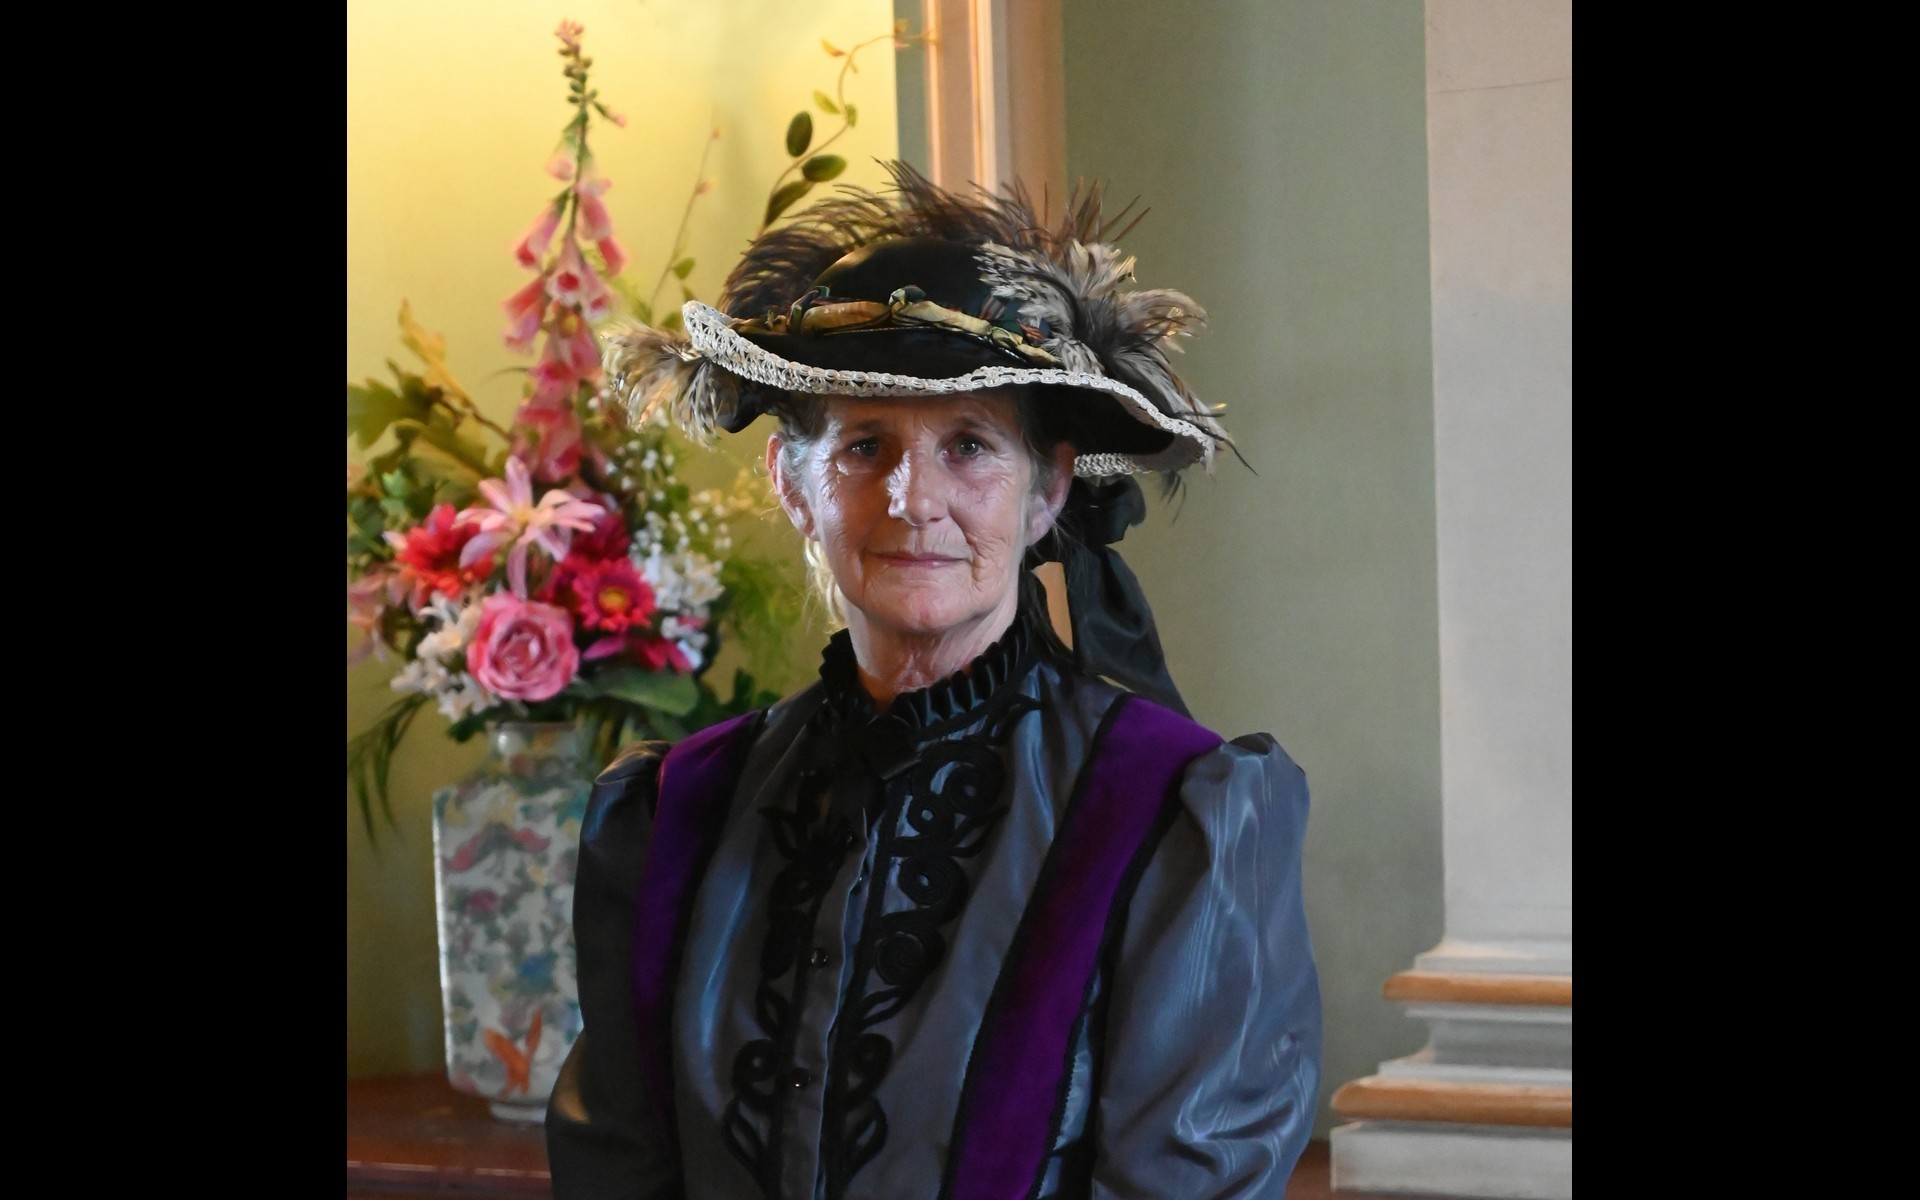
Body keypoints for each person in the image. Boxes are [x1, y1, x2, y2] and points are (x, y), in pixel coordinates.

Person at [546, 163, 1321, 1200]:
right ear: (793, 486)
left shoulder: (1181, 819)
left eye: (969, 446)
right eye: (865, 447)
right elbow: (614, 1170)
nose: (914, 500)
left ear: (1048, 490)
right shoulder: (672, 812)